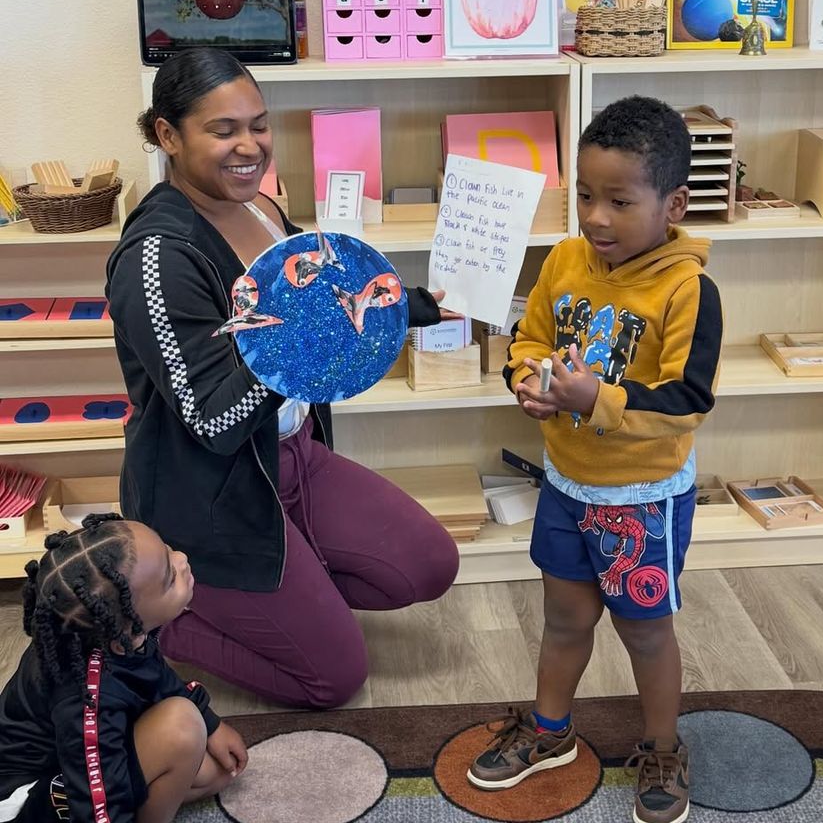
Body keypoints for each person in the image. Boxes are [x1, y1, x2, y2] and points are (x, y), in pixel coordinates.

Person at [105, 47, 459, 709]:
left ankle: (292, 597)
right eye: (223, 130)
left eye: (259, 125)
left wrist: (411, 306)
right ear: (168, 136)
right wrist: (305, 343)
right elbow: (213, 422)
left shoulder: (262, 209)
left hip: (293, 459)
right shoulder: (157, 257)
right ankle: (153, 622)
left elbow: (325, 292)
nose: (250, 147)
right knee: (334, 679)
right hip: (212, 495)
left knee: (430, 564)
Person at [467, 96, 722, 823]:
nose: (596, 217)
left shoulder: (689, 289)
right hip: (566, 484)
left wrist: (594, 399)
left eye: (619, 201)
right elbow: (531, 336)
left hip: (642, 498)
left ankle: (664, 747)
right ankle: (550, 732)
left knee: (645, 631)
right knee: (564, 618)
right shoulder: (565, 259)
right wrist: (528, 379)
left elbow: (688, 400)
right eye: (584, 195)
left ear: (673, 204)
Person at [0, 514, 245, 823]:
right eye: (170, 578)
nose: (182, 558)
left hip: (79, 757)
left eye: (168, 549)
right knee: (182, 728)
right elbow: (92, 797)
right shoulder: (85, 697)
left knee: (215, 770)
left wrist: (211, 724)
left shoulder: (116, 634)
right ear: (127, 624)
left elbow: (153, 675)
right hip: (33, 796)